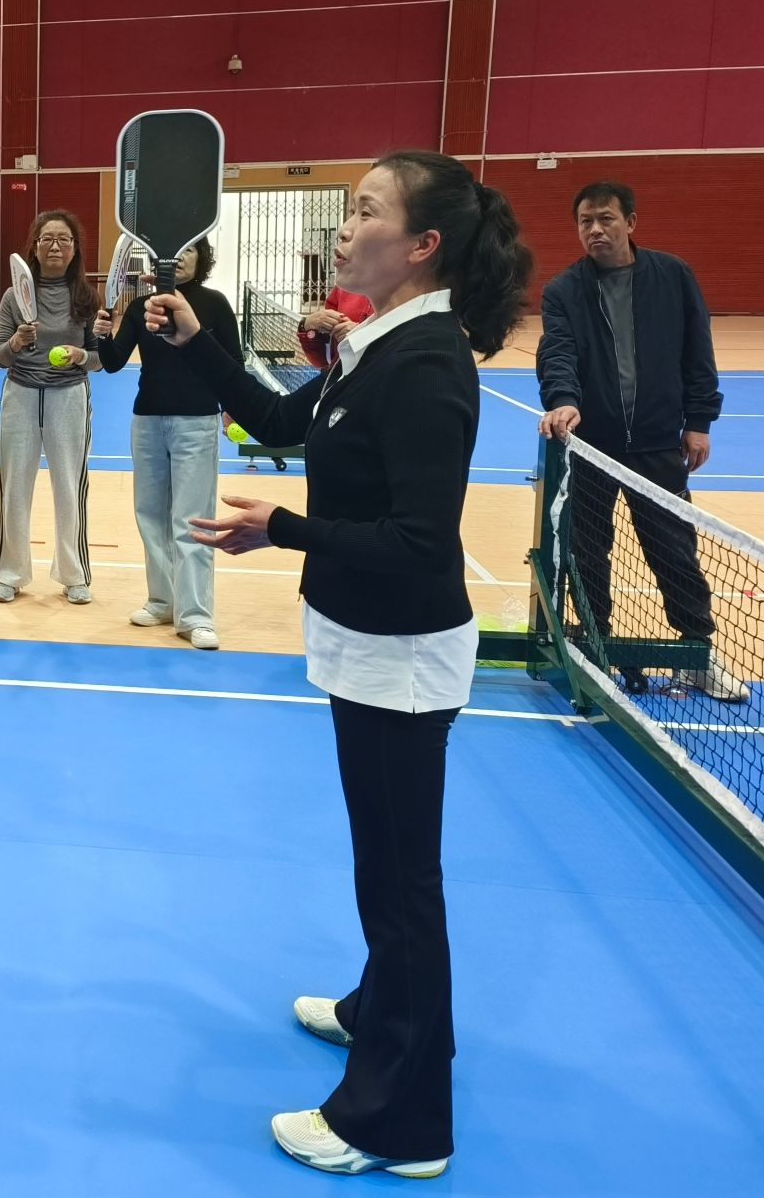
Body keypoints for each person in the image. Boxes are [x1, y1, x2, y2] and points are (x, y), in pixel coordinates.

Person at [145, 150, 532, 1180]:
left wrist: (281, 530)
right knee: (386, 876)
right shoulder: (374, 344)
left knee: (400, 889)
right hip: (365, 646)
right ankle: (383, 1011)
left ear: (421, 245)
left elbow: (417, 541)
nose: (345, 225)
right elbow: (281, 423)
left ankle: (397, 1125)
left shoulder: (426, 366)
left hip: (401, 659)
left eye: (364, 210)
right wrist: (197, 342)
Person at [535, 181, 743, 702]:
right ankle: (595, 646)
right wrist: (564, 400)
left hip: (657, 443)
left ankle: (697, 654)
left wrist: (699, 420)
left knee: (674, 550)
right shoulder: (563, 291)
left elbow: (698, 351)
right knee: (587, 551)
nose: (595, 230)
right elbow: (557, 353)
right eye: (585, 221)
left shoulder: (673, 276)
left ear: (630, 222)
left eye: (605, 218)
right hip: (591, 445)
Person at [96, 237, 242, 650]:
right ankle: (162, 601)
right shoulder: (143, 306)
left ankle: (196, 616)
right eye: (173, 252)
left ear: (202, 259)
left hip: (197, 423)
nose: (179, 258)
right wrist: (102, 335)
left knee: (192, 520)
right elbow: (113, 362)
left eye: (189, 250)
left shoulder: (214, 304)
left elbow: (234, 361)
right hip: (147, 422)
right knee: (151, 516)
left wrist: (233, 408)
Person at [0, 209, 105, 605]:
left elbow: (99, 359)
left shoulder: (87, 297)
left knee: (70, 486)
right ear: (35, 247)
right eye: (47, 239)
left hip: (69, 397)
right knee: (14, 487)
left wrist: (80, 355)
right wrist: (17, 342)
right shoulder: (14, 296)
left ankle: (74, 574)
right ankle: (10, 573)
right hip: (20, 395)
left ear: (75, 249)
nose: (55, 246)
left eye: (64, 239)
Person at [299, 285, 374, 370]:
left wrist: (362, 335)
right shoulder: (344, 287)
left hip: (372, 371)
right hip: (339, 372)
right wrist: (306, 326)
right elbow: (322, 361)